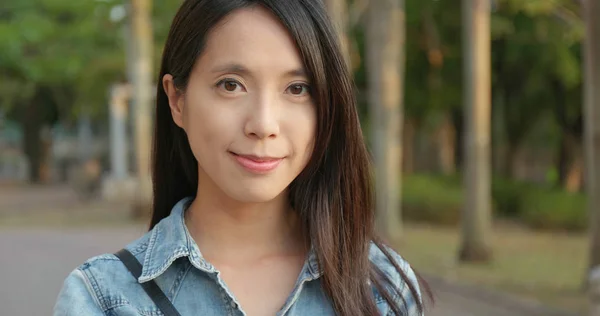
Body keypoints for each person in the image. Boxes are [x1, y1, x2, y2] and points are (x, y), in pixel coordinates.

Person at [54, 0, 431, 315]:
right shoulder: (104, 299)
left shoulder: (381, 288)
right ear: (177, 100)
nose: (263, 124)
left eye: (297, 88)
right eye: (231, 85)